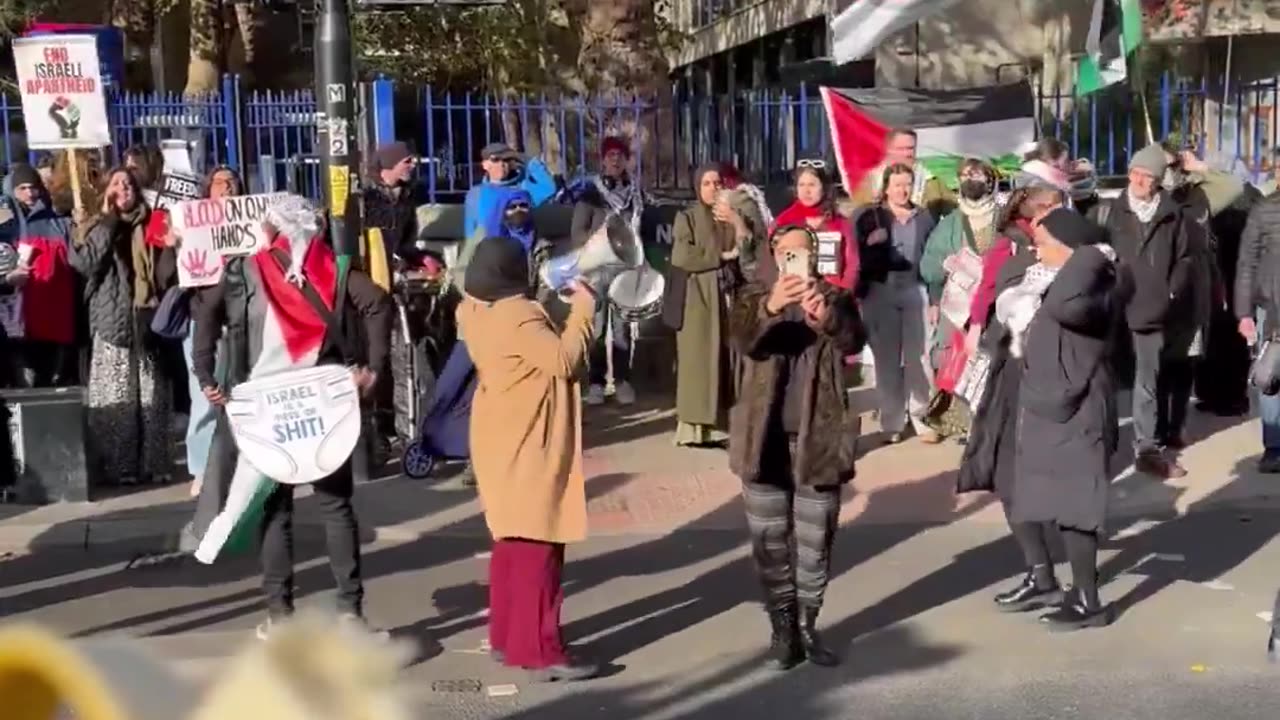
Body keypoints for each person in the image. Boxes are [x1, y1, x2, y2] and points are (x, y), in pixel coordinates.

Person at [193, 195, 392, 638]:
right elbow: (378, 303)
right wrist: (373, 368)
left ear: (270, 229)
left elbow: (205, 314)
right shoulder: (335, 269)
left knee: (274, 511)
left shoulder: (244, 270)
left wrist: (207, 373)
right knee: (336, 505)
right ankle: (350, 614)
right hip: (323, 400)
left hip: (267, 408)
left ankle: (280, 617)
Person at [458, 234, 600, 681]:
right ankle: (540, 651)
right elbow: (563, 358)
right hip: (529, 436)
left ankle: (507, 637)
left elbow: (529, 342)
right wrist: (584, 310)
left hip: (498, 431)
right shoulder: (518, 316)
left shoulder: (473, 308)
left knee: (511, 543)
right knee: (539, 544)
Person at [728, 224, 863, 670]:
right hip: (762, 437)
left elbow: (854, 339)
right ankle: (782, 629)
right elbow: (742, 339)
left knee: (814, 540)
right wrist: (771, 306)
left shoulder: (834, 297)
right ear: (772, 255)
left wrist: (823, 319)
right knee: (769, 540)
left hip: (818, 438)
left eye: (801, 253)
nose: (793, 261)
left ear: (815, 256)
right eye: (785, 253)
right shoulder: (753, 295)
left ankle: (809, 625)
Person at [957, 180, 1067, 611]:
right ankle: (1042, 574)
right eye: (1054, 207)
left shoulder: (1070, 248)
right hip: (1014, 372)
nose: (1063, 212)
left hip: (1053, 377)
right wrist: (977, 329)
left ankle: (1070, 584)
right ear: (1035, 212)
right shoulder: (1014, 247)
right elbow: (990, 291)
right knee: (1010, 476)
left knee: (1044, 479)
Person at [1008, 208, 1119, 630]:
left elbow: (1064, 308)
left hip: (1083, 405)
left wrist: (1087, 255)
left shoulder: (1091, 282)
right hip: (1051, 405)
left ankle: (1089, 602)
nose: (1035, 252)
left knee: (1078, 505)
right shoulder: (1057, 279)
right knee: (1062, 503)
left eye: (1043, 243)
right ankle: (1080, 595)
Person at [1090, 144, 1194, 479]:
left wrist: (1172, 290)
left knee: (1146, 383)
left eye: (1147, 176)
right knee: (1101, 381)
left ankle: (1147, 450)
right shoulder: (1106, 212)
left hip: (1152, 308)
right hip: (1112, 308)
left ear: (1158, 181)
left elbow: (1185, 259)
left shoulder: (1172, 214)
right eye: (1135, 172)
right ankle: (1096, 449)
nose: (1138, 180)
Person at [69, 167, 175, 485]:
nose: (123, 188)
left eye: (128, 183)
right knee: (118, 397)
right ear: (106, 192)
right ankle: (119, 467)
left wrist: (171, 245)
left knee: (153, 397)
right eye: (116, 184)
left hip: (148, 318)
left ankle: (155, 464)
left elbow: (166, 271)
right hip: (111, 320)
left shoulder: (154, 220)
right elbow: (85, 263)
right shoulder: (91, 226)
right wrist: (108, 221)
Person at [1158, 145, 1251, 418]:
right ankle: (1209, 393)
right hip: (1203, 276)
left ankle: (1231, 398)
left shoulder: (1226, 197)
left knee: (1228, 340)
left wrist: (1199, 169)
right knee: (1206, 341)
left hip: (1229, 276)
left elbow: (1231, 186)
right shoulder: (1179, 197)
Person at [855, 163, 938, 443]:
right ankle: (892, 423)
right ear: (886, 187)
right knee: (886, 359)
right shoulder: (870, 216)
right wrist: (870, 243)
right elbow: (854, 254)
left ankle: (923, 417)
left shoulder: (924, 217)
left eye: (907, 184)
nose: (902, 190)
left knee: (920, 357)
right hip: (881, 290)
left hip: (915, 289)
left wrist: (935, 298)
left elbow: (933, 257)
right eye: (897, 184)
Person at [919, 158, 1001, 441]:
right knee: (951, 363)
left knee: (991, 363)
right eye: (965, 175)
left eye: (977, 174)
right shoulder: (950, 225)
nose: (971, 179)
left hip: (994, 307)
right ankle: (951, 421)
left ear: (991, 180)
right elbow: (927, 267)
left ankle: (986, 424)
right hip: (956, 310)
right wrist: (945, 264)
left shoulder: (1003, 218)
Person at [670, 165, 747, 447]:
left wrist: (737, 224)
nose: (713, 188)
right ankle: (695, 431)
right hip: (698, 300)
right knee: (699, 362)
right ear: (697, 187)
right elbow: (682, 256)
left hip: (727, 297)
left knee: (727, 360)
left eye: (717, 182)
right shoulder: (686, 217)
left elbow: (747, 249)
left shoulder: (728, 216)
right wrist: (721, 255)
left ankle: (724, 426)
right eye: (706, 183)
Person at [179, 165, 244, 498]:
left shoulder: (250, 225)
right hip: (203, 316)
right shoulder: (192, 223)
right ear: (209, 190)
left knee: (240, 396)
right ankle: (203, 469)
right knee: (204, 397)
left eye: (233, 183)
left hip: (240, 320)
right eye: (221, 183)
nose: (228, 187)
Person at [570, 136, 644, 406]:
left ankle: (623, 381)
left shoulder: (635, 194)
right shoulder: (591, 194)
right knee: (598, 328)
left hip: (625, 269)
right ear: (602, 160)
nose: (615, 159)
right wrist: (600, 241)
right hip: (597, 270)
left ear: (627, 160)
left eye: (620, 155)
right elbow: (577, 233)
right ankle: (597, 384)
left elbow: (642, 230)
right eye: (610, 154)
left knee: (623, 329)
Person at [0, 163, 78, 387]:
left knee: (49, 381)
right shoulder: (4, 222)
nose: (29, 193)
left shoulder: (58, 223)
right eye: (22, 188)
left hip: (51, 317)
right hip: (13, 317)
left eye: (33, 187)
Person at [1234, 188, 1280, 471]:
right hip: (1271, 307)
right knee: (1270, 378)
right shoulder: (1263, 209)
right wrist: (1244, 313)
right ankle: (1274, 448)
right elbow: (1246, 264)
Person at [771, 157, 858, 294]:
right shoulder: (783, 222)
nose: (806, 191)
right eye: (802, 185)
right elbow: (770, 265)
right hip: (794, 296)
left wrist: (843, 294)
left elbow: (852, 265)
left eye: (812, 185)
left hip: (833, 298)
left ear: (824, 187)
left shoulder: (841, 224)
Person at [849, 128, 953, 216]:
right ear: (888, 150)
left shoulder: (931, 181)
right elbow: (856, 216)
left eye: (910, 148)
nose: (907, 154)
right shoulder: (871, 182)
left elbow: (954, 215)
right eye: (901, 149)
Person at [364, 141, 419, 292]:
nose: (413, 165)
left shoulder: (407, 196)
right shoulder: (366, 198)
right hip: (372, 268)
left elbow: (408, 237)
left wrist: (418, 258)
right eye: (407, 161)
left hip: (397, 265)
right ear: (390, 163)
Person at [718, 162, 773, 279]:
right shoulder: (750, 193)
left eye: (717, 183)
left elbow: (752, 235)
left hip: (749, 261)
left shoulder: (737, 198)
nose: (714, 187)